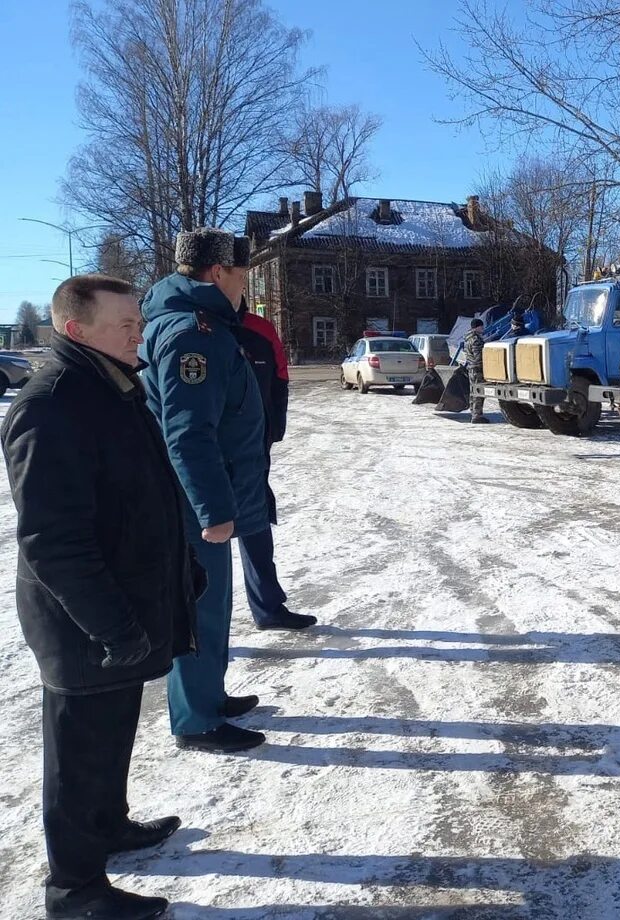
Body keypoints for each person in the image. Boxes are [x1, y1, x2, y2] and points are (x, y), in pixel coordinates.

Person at [2, 274, 197, 920]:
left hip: (121, 607)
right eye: (126, 324)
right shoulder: (52, 403)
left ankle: (108, 824)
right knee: (79, 749)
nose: (140, 332)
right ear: (75, 329)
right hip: (83, 622)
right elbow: (52, 542)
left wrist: (178, 572)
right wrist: (113, 626)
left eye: (139, 320)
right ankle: (74, 890)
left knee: (111, 733)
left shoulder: (111, 385)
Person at [140, 228, 270, 754]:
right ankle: (195, 719)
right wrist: (213, 509)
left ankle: (209, 696)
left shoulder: (200, 325)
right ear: (218, 274)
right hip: (194, 504)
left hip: (203, 496)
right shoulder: (194, 335)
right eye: (243, 275)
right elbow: (188, 432)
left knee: (213, 601)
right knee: (200, 606)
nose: (247, 286)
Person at [232, 239, 316, 631]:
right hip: (199, 451)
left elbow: (280, 379)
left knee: (255, 526)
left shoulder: (260, 329)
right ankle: (188, 628)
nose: (242, 283)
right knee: (196, 541)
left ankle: (268, 607)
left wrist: (272, 431)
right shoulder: (193, 328)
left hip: (252, 450)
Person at [463, 317, 489, 424]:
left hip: (471, 368)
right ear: (477, 327)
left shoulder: (468, 339)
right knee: (479, 392)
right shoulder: (476, 340)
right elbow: (479, 357)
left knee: (473, 391)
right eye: (481, 326)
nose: (483, 328)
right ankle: (477, 415)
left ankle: (473, 412)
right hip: (477, 369)